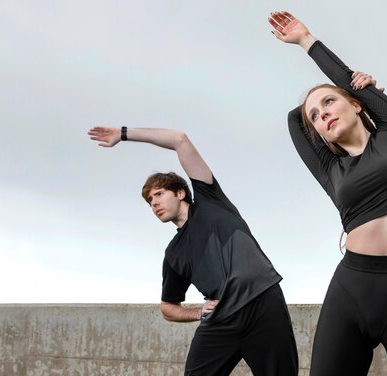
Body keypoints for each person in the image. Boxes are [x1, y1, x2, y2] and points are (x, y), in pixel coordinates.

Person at [268, 11, 387, 376]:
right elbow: (294, 121)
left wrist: (307, 40)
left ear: (355, 104)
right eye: (316, 118)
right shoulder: (330, 170)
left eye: (329, 104)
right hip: (351, 291)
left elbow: (345, 84)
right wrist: (343, 95)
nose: (322, 115)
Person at [87, 126, 298, 375]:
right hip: (221, 319)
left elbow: (179, 140)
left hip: (262, 304)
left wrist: (123, 134)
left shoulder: (210, 201)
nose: (154, 203)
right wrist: (198, 312)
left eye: (159, 194)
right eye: (149, 201)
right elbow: (168, 306)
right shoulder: (174, 254)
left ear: (180, 193)